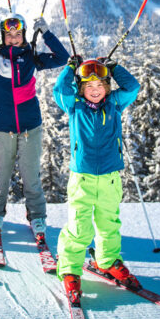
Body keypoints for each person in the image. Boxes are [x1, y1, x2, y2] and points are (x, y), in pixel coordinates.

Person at [0, 11, 69, 237]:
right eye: (9, 34)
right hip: (3, 128)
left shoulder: (32, 57)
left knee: (31, 175)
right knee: (1, 174)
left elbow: (62, 57)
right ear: (2, 36)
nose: (13, 38)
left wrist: (47, 33)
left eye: (18, 34)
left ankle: (37, 216)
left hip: (30, 127)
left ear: (23, 35)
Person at [53, 55, 140, 302]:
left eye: (100, 86)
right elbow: (59, 90)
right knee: (79, 226)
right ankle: (69, 268)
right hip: (82, 177)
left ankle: (107, 260)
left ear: (107, 87)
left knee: (109, 222)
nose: (94, 90)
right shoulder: (75, 106)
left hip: (111, 177)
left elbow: (133, 87)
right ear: (81, 88)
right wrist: (70, 68)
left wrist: (113, 67)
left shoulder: (114, 104)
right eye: (89, 86)